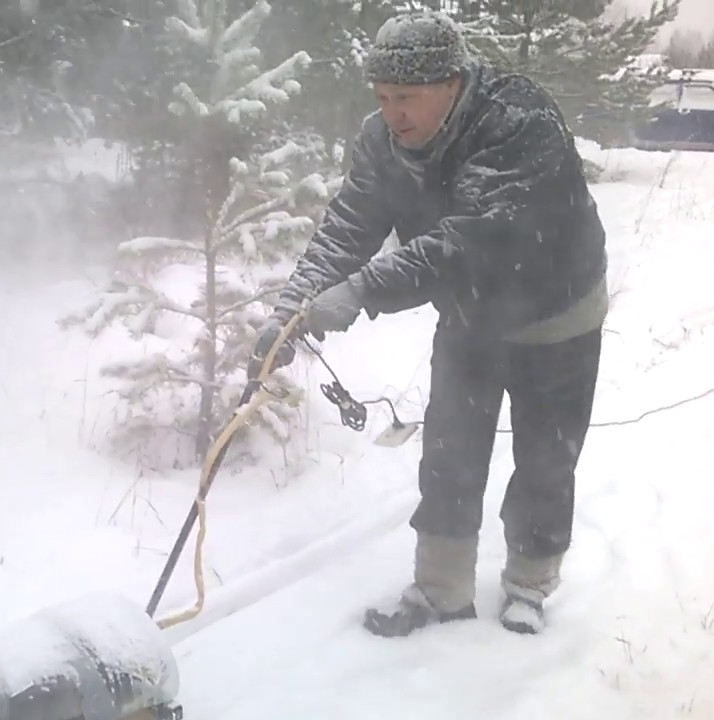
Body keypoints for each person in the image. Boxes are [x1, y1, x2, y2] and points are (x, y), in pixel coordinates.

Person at [251, 10, 608, 637]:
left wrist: (363, 291)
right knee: (449, 452)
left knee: (546, 459)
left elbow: (472, 243)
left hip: (557, 314)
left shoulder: (517, 120)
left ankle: (529, 581)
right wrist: (291, 313)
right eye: (383, 98)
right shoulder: (382, 141)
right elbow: (347, 228)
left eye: (407, 97)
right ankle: (441, 589)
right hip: (471, 317)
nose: (394, 113)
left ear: (453, 82)